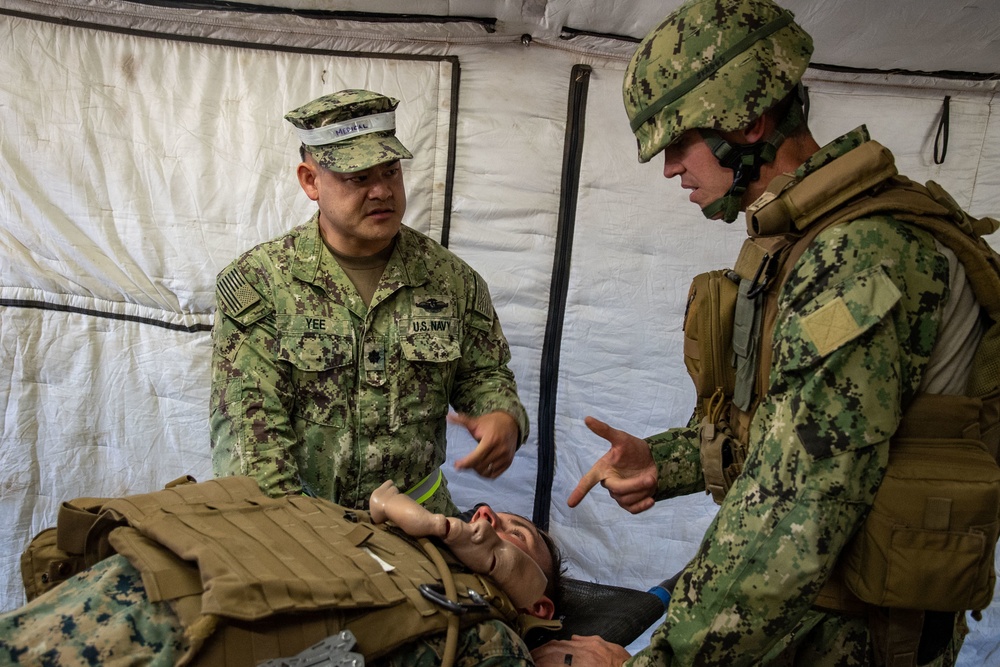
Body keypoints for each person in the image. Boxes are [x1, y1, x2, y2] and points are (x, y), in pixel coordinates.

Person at [532, 1, 1000, 666]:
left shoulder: (861, 255)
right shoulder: (804, 243)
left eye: (677, 141)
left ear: (747, 121)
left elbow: (796, 509)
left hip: (854, 637)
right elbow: (790, 428)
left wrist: (658, 661)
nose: (669, 169)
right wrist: (672, 459)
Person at [210, 89, 529, 517]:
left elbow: (485, 374)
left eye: (391, 171)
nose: (382, 191)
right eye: (358, 177)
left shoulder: (451, 281)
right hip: (302, 526)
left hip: (422, 525)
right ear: (310, 181)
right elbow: (251, 436)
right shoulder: (261, 284)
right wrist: (298, 539)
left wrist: (502, 417)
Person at [1, 476, 565, 667]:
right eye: (489, 513)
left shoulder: (486, 634)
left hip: (181, 634)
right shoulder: (382, 528)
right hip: (141, 573)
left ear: (540, 605)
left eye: (518, 536)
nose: (488, 517)